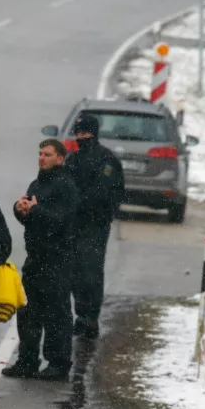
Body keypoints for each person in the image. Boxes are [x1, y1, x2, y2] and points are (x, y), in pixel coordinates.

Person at [3, 139, 79, 381]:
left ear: (60, 158)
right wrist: (21, 209)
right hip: (35, 257)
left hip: (57, 258)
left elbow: (61, 222)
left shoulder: (66, 186)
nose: (42, 158)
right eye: (40, 153)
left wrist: (35, 211)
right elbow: (33, 219)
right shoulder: (37, 183)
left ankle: (58, 363)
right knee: (28, 311)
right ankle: (27, 360)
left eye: (47, 154)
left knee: (56, 314)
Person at [64, 114, 125, 339]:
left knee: (90, 271)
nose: (81, 137)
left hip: (95, 225)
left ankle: (90, 318)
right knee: (75, 273)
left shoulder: (106, 160)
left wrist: (79, 206)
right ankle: (81, 315)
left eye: (85, 133)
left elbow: (104, 192)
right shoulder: (73, 160)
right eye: (79, 133)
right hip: (74, 226)